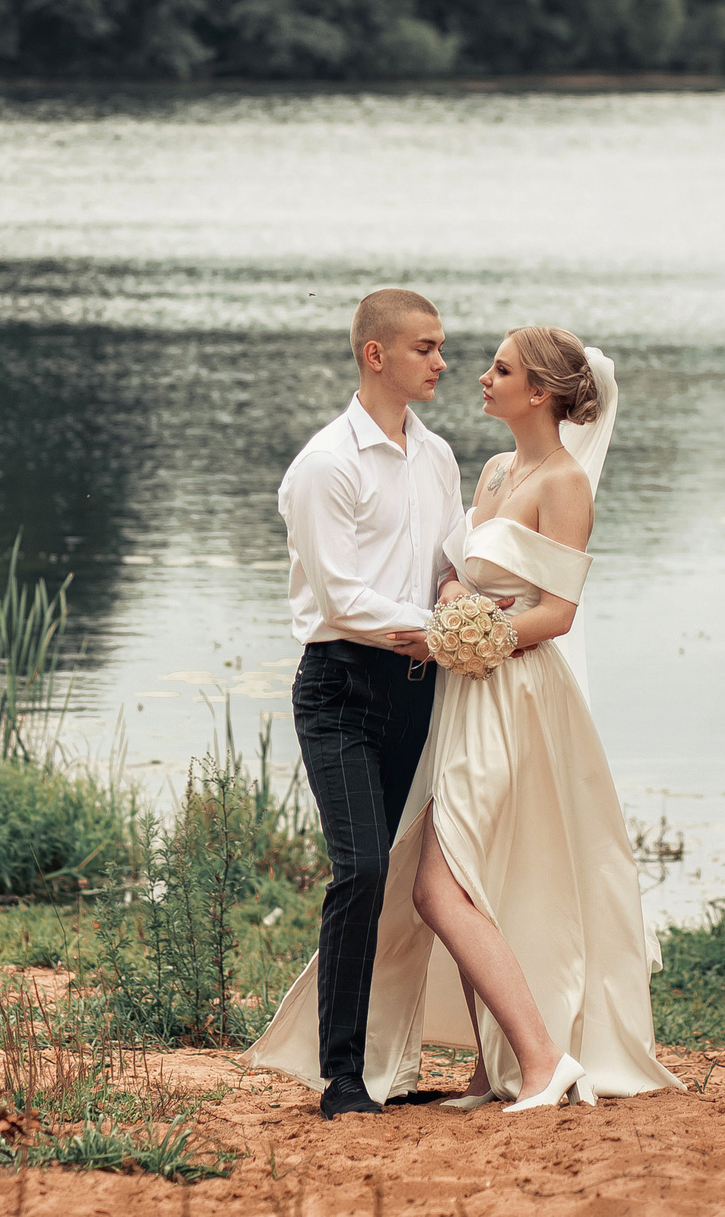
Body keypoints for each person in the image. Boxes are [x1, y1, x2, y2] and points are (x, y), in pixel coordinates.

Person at [248, 324, 679, 1116]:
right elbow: (455, 569)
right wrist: (450, 603)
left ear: (541, 392)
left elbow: (558, 612)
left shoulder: (564, 484)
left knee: (440, 887)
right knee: (474, 872)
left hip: (513, 696)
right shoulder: (487, 470)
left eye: (502, 368)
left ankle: (544, 1057)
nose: (478, 375)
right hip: (461, 693)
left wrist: (473, 637)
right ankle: (492, 1070)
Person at [264, 288, 460, 1120]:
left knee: (414, 876)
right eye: (425, 347)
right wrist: (433, 625)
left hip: (420, 692)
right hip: (340, 687)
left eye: (443, 347)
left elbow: (450, 560)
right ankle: (339, 1076)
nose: (442, 361)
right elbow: (340, 600)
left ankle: (393, 1060)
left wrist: (458, 606)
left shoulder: (440, 457)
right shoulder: (324, 465)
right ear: (375, 355)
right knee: (362, 869)